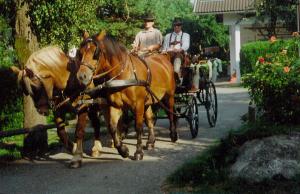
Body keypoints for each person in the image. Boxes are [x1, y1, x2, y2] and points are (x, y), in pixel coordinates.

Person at [162, 18, 190, 83]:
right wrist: (164, 51)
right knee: (162, 58)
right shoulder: (167, 36)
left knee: (177, 57)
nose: (176, 27)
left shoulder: (185, 35)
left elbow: (186, 45)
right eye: (175, 25)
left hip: (180, 54)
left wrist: (180, 49)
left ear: (181, 26)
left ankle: (176, 74)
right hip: (169, 54)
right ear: (173, 26)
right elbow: (165, 47)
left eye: (178, 25)